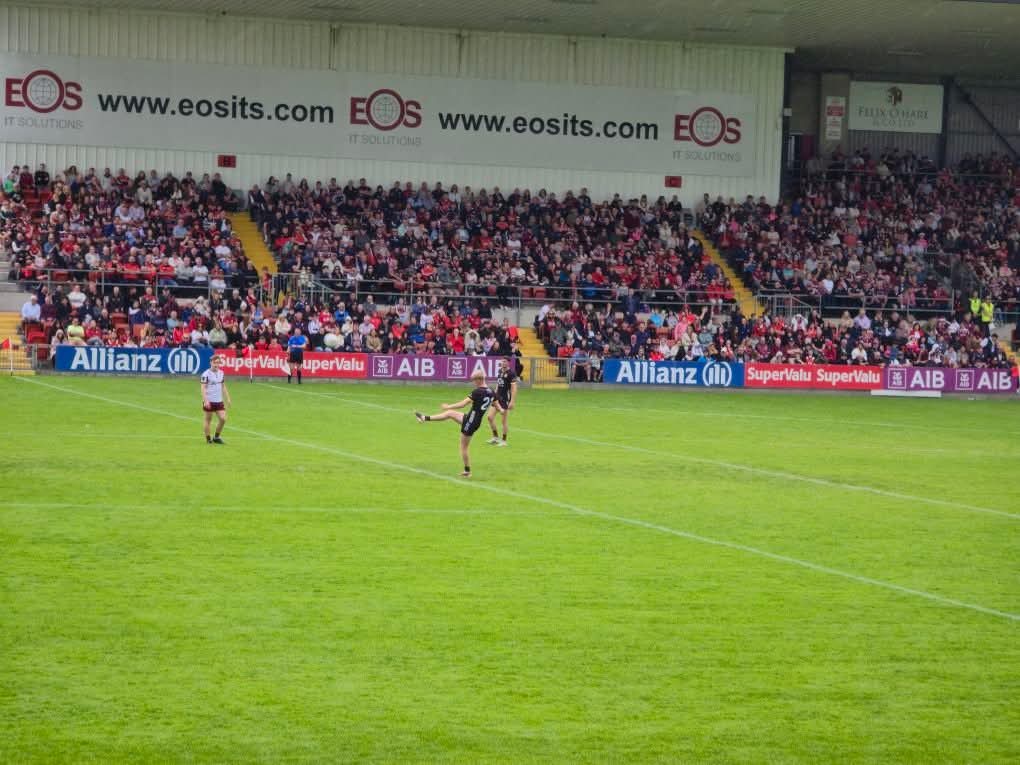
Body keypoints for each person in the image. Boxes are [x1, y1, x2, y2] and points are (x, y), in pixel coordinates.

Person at [414, 371, 500, 477]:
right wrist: (503, 410)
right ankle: (424, 418)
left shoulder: (477, 391)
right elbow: (497, 406)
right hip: (473, 419)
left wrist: (448, 406)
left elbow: (463, 404)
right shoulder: (491, 391)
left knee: (463, 447)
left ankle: (467, 471)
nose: (473, 382)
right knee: (450, 414)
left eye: (474, 380)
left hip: (471, 422)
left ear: (479, 379)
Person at [487, 358, 518, 446]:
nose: (503, 363)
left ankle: (504, 441)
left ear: (508, 363)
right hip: (497, 399)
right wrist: (494, 395)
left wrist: (512, 401)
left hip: (505, 400)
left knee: (503, 421)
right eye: (502, 361)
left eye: (504, 361)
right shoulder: (500, 371)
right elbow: (498, 384)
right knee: (489, 417)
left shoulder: (511, 374)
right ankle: (496, 437)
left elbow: (514, 388)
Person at [200, 354, 231, 444]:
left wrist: (228, 398)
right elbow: (202, 388)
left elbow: (223, 386)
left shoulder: (221, 373)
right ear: (211, 363)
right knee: (208, 420)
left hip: (219, 401)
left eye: (218, 363)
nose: (216, 365)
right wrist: (206, 401)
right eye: (214, 363)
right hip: (209, 401)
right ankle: (208, 439)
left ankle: (216, 437)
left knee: (223, 419)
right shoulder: (206, 374)